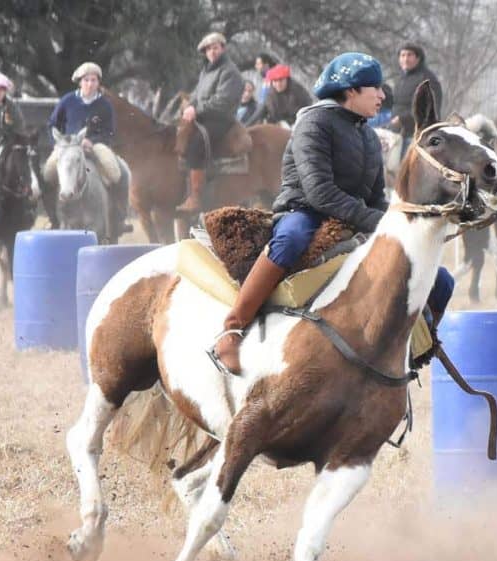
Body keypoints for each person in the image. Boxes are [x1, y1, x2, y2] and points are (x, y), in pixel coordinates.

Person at [208, 52, 454, 375]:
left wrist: (405, 221)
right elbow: (319, 193)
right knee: (291, 239)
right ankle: (233, 328)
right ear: (350, 91)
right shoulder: (313, 122)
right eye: (375, 88)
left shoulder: (367, 134)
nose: (382, 95)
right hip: (305, 212)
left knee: (443, 281)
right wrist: (377, 221)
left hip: (352, 218)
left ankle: (408, 345)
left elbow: (375, 197)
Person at [46, 62, 128, 236]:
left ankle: (120, 217)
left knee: (118, 171)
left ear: (98, 83)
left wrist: (92, 141)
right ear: (80, 82)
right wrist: (59, 142)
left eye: (94, 80)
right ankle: (53, 217)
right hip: (67, 146)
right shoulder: (67, 101)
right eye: (86, 80)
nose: (90, 84)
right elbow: (52, 124)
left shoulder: (104, 104)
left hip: (95, 145)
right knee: (47, 173)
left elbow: (109, 131)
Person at [176, 32, 244, 213]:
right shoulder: (206, 71)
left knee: (196, 144)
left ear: (223, 48)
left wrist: (197, 110)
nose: (212, 52)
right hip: (203, 117)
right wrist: (189, 106)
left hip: (221, 120)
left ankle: (196, 198)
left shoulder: (230, 72)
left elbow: (223, 101)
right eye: (208, 49)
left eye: (215, 48)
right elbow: (196, 95)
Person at [388, 43, 442, 153]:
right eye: (402, 55)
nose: (405, 59)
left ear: (418, 58)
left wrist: (403, 119)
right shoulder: (400, 78)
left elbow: (431, 109)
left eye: (409, 55)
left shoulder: (427, 79)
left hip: (417, 137)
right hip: (396, 135)